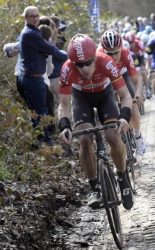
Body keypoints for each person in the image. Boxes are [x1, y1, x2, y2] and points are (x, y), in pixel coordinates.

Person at [58, 34, 134, 210]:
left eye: (88, 62)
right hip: (81, 99)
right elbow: (63, 105)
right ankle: (93, 187)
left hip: (105, 96)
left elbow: (125, 95)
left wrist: (124, 116)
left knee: (113, 137)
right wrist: (64, 127)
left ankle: (122, 177)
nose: (84, 68)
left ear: (95, 56)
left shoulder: (106, 62)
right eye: (79, 64)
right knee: (84, 139)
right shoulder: (67, 69)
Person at [98, 29, 146, 156]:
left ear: (121, 48)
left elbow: (136, 81)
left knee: (133, 109)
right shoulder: (99, 56)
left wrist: (138, 94)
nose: (113, 57)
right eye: (109, 53)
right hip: (107, 78)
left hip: (123, 75)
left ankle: (137, 135)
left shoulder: (126, 54)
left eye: (116, 53)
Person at [19, 6, 60, 143]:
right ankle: (45, 140)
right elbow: (51, 49)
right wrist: (46, 49)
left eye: (37, 16)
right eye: (32, 16)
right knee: (41, 110)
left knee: (36, 110)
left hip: (31, 77)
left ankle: (38, 138)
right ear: (26, 18)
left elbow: (47, 50)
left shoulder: (33, 31)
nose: (36, 18)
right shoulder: (31, 33)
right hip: (33, 78)